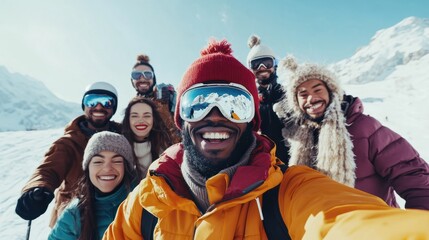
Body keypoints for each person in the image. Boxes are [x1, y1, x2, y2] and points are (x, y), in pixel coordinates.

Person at [103, 39, 429, 239]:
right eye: (198, 102)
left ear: (253, 121)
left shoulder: (287, 192)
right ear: (181, 118)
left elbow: (341, 220)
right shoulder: (149, 200)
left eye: (235, 105)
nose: (215, 115)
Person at [276, 55, 429, 209]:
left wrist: (418, 223)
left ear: (331, 92)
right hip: (327, 229)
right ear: (296, 103)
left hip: (375, 226)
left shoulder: (365, 128)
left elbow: (414, 176)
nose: (311, 99)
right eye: (303, 95)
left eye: (318, 90)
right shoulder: (301, 138)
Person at [15, 82, 122, 227]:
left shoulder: (122, 137)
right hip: (74, 218)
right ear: (84, 105)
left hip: (112, 215)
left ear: (113, 108)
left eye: (107, 102)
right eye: (91, 100)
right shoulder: (69, 142)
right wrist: (38, 189)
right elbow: (48, 169)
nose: (98, 107)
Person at [48, 132, 135, 240]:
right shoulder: (74, 214)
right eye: (98, 162)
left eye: (117, 161)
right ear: (88, 168)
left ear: (126, 168)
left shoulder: (145, 202)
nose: (107, 168)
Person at [246, 35, 289, 164]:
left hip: (290, 163)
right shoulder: (248, 99)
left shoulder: (288, 94)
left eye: (267, 63)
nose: (262, 67)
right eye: (256, 64)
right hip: (260, 164)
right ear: (250, 69)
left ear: (275, 65)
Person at [130, 54, 181, 143]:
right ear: (132, 81)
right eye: (136, 75)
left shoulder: (167, 96)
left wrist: (165, 106)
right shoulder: (131, 107)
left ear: (154, 79)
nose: (142, 78)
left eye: (148, 74)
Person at [122, 97, 174, 179]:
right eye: (135, 116)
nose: (141, 120)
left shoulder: (166, 148)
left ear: (153, 119)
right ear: (128, 120)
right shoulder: (120, 148)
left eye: (147, 116)